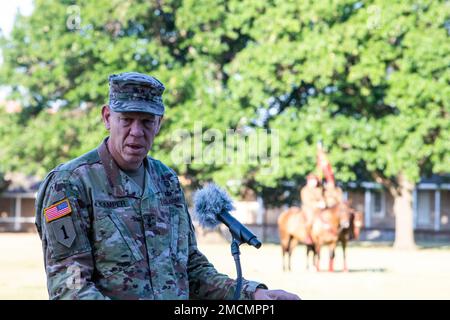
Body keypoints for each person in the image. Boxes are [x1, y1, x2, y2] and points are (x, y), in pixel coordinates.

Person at [35, 72, 300, 300]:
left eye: (147, 121)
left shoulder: (167, 181)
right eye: (126, 119)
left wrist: (251, 294)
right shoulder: (69, 184)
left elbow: (191, 268)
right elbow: (69, 286)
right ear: (107, 118)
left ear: (159, 123)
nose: (137, 132)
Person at [300, 173, 326, 244]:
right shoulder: (305, 190)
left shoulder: (318, 190)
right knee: (310, 220)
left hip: (318, 209)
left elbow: (321, 198)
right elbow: (306, 201)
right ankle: (308, 236)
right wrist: (317, 204)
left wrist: (323, 202)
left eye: (315, 181)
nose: (315, 182)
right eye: (313, 181)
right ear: (309, 181)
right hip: (308, 208)